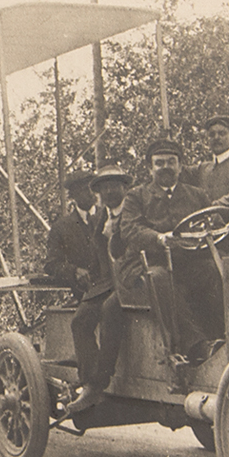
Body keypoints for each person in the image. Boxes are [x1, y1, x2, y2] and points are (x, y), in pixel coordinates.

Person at [113, 138, 224, 382]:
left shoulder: (197, 195)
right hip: (144, 264)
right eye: (159, 163)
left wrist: (226, 229)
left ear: (180, 166)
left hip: (187, 261)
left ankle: (222, 339)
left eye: (171, 162)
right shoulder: (136, 196)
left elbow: (214, 223)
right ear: (150, 168)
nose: (165, 167)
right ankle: (195, 346)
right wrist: (158, 238)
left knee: (212, 270)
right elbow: (129, 230)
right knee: (160, 278)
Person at [66, 165, 132, 413]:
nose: (110, 192)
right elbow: (97, 258)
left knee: (110, 310)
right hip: (107, 281)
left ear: (125, 188)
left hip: (133, 279)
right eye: (104, 188)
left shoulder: (135, 211)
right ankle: (88, 383)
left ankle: (99, 382)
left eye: (115, 186)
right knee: (80, 320)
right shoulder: (99, 218)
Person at [42, 169, 101, 296]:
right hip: (83, 294)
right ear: (74, 195)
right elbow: (51, 265)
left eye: (93, 188)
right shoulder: (62, 227)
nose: (91, 193)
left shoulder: (108, 217)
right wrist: (74, 271)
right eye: (84, 189)